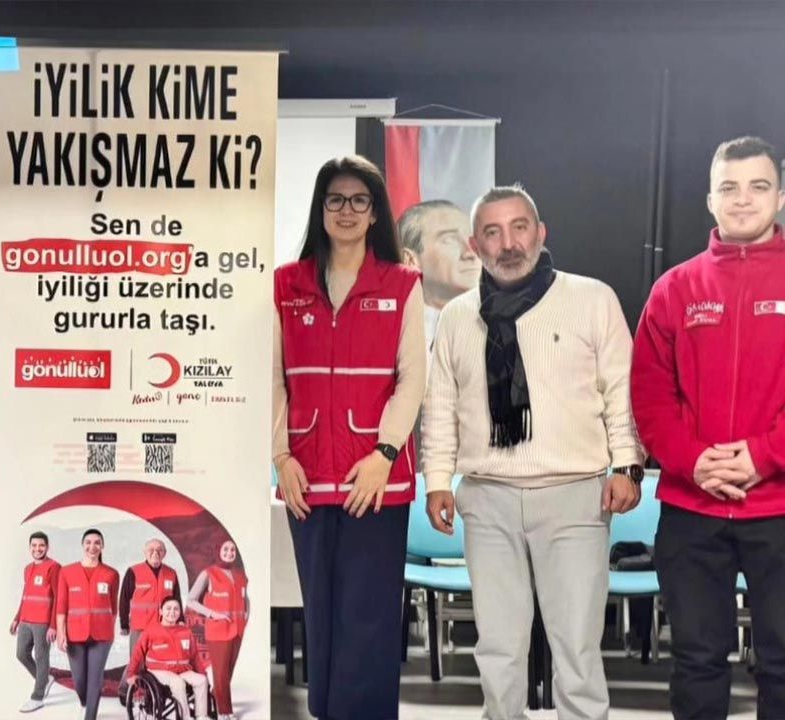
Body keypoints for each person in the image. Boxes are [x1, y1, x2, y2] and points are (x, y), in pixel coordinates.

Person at [421, 184, 643, 720]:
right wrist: (437, 481)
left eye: (519, 227)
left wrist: (628, 466)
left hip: (574, 496)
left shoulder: (592, 298)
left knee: (577, 649)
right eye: (493, 232)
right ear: (475, 245)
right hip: (487, 498)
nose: (508, 243)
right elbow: (440, 407)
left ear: (540, 233)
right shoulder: (457, 316)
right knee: (498, 648)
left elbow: (622, 390)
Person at [631, 136, 785, 720]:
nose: (742, 199)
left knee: (783, 663)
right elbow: (649, 395)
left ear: (780, 197)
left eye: (758, 186)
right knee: (696, 661)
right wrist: (693, 460)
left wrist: (764, 456)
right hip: (692, 509)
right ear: (710, 200)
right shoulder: (675, 289)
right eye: (729, 187)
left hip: (779, 507)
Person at [272, 154, 426, 719]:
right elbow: (273, 377)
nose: (347, 210)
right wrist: (280, 455)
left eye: (359, 200)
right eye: (335, 199)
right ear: (321, 208)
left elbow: (413, 379)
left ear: (375, 212)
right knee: (321, 613)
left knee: (369, 614)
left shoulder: (402, 284)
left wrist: (384, 454)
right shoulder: (285, 284)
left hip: (376, 478)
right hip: (307, 475)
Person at [397, 199, 480, 349]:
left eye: (473, 238)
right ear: (410, 260)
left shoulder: (509, 327)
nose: (471, 252)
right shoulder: (386, 337)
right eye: (449, 239)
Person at [56, 529, 120, 720]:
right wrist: (61, 633)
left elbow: (113, 607)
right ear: (82, 545)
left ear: (102, 546)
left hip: (102, 636)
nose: (93, 547)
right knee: (79, 680)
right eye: (88, 542)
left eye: (97, 542)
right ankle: (85, 701)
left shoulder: (111, 574)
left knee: (95, 677)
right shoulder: (67, 572)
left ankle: (90, 715)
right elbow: (61, 607)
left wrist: (110, 630)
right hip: (74, 634)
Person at [185, 540, 248, 720]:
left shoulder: (240, 576)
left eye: (232, 549)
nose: (229, 552)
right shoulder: (208, 573)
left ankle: (215, 698)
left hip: (237, 630)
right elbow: (191, 600)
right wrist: (212, 614)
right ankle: (224, 712)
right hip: (218, 631)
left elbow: (245, 599)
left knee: (227, 673)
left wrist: (245, 617)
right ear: (218, 551)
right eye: (225, 549)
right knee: (220, 674)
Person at [117, 538, 181, 704]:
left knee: (157, 662)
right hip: (140, 626)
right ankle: (125, 690)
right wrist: (124, 623)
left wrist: (179, 621)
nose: (155, 553)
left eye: (159, 550)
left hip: (163, 627)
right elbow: (124, 599)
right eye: (151, 550)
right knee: (136, 661)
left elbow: (177, 599)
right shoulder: (134, 571)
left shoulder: (171, 573)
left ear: (164, 553)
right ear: (145, 553)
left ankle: (149, 697)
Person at [125, 598, 210, 720]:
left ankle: (201, 716)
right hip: (159, 671)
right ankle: (185, 717)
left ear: (180, 612)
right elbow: (138, 653)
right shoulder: (151, 631)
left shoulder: (185, 631)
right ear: (161, 611)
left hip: (182, 670)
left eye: (176, 609)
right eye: (168, 609)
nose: (172, 612)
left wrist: (203, 673)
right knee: (177, 682)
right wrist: (131, 674)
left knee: (201, 680)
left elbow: (194, 656)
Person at [11, 531, 60, 713]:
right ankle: (45, 680)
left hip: (42, 622)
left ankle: (38, 697)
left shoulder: (54, 567)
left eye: (41, 545)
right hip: (25, 619)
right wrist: (17, 618)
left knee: (41, 657)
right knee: (21, 654)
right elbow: (25, 595)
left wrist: (54, 625)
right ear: (30, 547)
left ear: (47, 547)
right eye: (34, 545)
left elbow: (58, 597)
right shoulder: (28, 569)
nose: (37, 549)